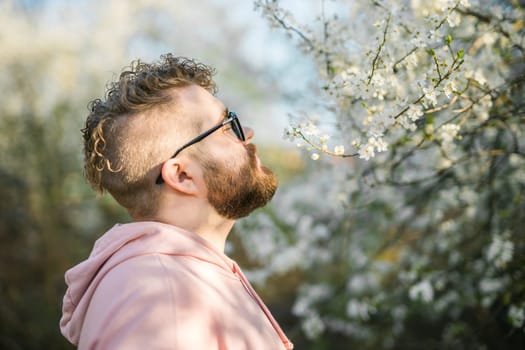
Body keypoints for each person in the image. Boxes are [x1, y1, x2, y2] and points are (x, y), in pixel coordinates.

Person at [59, 54, 294, 350]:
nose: (247, 133)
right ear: (182, 175)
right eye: (225, 126)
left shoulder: (176, 280)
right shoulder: (156, 294)